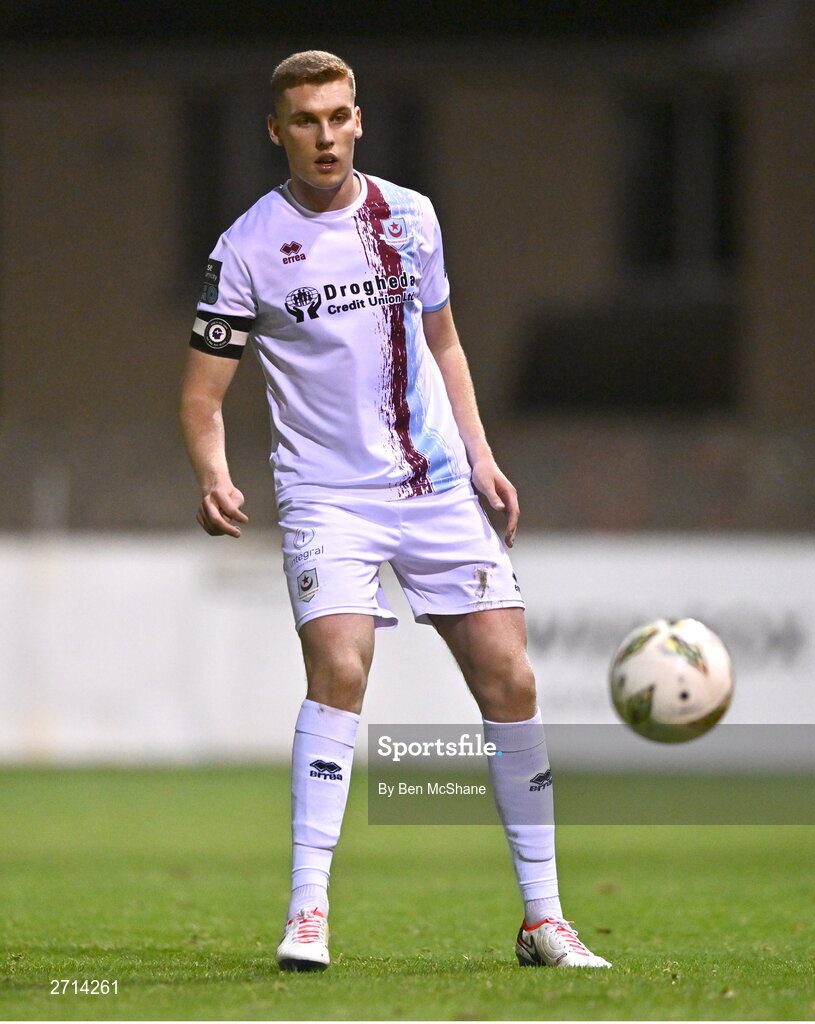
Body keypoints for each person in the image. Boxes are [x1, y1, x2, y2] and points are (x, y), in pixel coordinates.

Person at [179, 49, 610, 972]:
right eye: (305, 120)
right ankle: (307, 910)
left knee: (513, 682)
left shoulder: (409, 217)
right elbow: (202, 395)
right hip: (326, 496)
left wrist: (483, 457)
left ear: (360, 121)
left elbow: (444, 343)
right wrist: (213, 472)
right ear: (276, 131)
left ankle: (544, 920)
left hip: (436, 486)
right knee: (340, 663)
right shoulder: (247, 246)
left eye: (339, 117)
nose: (325, 135)